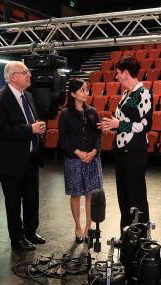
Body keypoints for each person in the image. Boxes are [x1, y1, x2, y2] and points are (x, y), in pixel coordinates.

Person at [0, 61, 47, 251]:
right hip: (10, 161)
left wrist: (37, 128)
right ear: (13, 76)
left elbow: (29, 123)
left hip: (30, 157)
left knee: (32, 198)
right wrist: (30, 128)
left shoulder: (28, 95)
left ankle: (31, 231)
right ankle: (17, 238)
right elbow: (0, 130)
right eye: (25, 72)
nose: (29, 75)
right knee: (13, 202)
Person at [98, 56, 153, 230]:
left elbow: (145, 124)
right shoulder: (125, 94)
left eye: (118, 73)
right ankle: (127, 233)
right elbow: (125, 121)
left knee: (135, 195)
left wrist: (119, 124)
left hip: (135, 152)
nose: (116, 77)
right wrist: (112, 126)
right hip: (121, 150)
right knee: (124, 196)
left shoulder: (142, 93)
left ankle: (139, 236)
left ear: (126, 73)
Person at [58, 79, 103, 243]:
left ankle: (88, 225)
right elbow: (63, 138)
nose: (86, 93)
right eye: (82, 90)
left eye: (87, 90)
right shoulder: (64, 114)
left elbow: (99, 134)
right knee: (76, 194)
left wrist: (93, 151)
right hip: (74, 159)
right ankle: (77, 226)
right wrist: (78, 152)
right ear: (73, 94)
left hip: (92, 158)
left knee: (90, 193)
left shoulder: (92, 111)